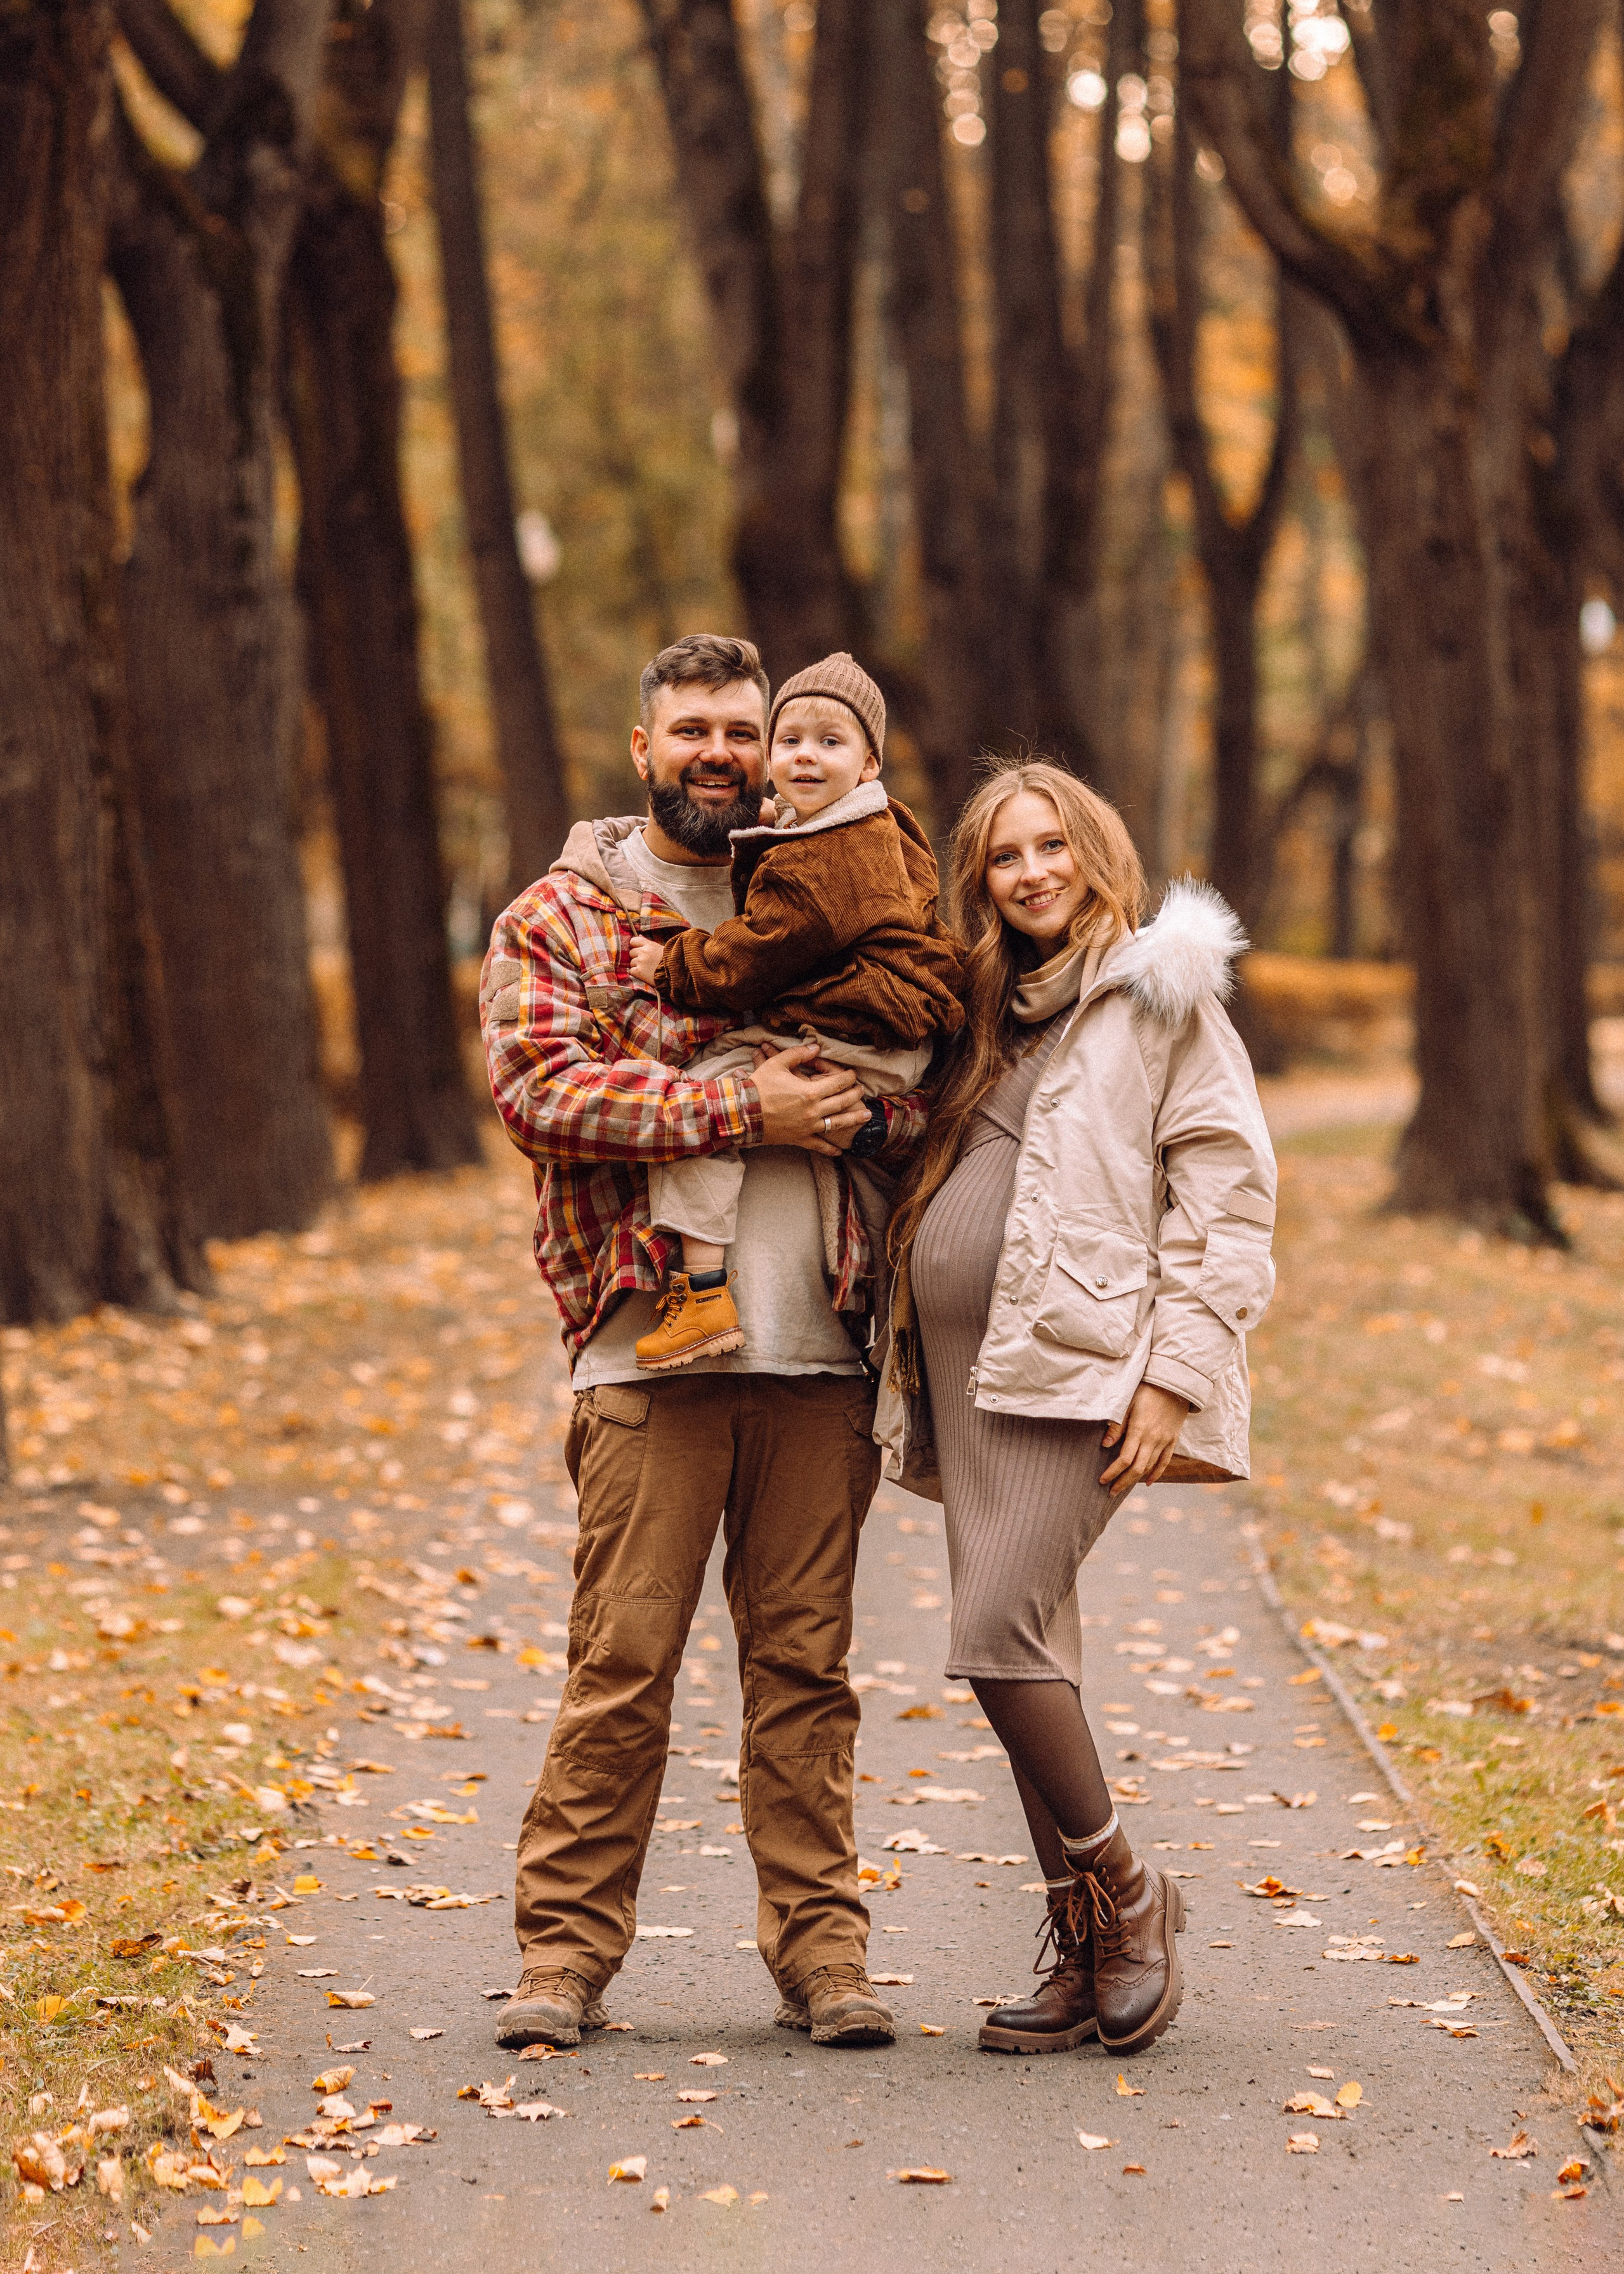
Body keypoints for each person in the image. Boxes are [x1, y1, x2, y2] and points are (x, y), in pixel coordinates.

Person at [480, 633, 921, 2055]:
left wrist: (851, 1101)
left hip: (820, 1356)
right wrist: (744, 1108)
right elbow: (543, 1091)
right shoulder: (561, 914)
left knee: (806, 1672)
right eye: (695, 732)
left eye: (745, 727)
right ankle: (560, 1957)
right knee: (621, 1663)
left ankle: (823, 1957)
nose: (724, 752)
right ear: (643, 751)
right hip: (644, 1353)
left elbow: (928, 1078)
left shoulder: (833, 888)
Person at [881, 758, 1276, 2061]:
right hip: (967, 1366)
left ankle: (1124, 1887)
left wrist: (1174, 1375)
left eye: (1050, 845)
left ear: (1094, 853)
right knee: (1035, 1651)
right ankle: (1080, 1945)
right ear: (980, 879)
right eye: (1003, 855)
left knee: (992, 1631)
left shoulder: (1157, 999)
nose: (1031, 870)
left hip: (1083, 1370)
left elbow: (1227, 1201)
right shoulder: (984, 1002)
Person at [626, 652, 963, 1370]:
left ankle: (703, 1288)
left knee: (708, 1088)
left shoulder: (821, 856)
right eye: (791, 742)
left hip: (855, 1032)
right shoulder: (879, 828)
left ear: (869, 764)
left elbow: (759, 949)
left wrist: (676, 962)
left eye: (830, 742)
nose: (805, 756)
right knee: (726, 1096)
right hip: (882, 1032)